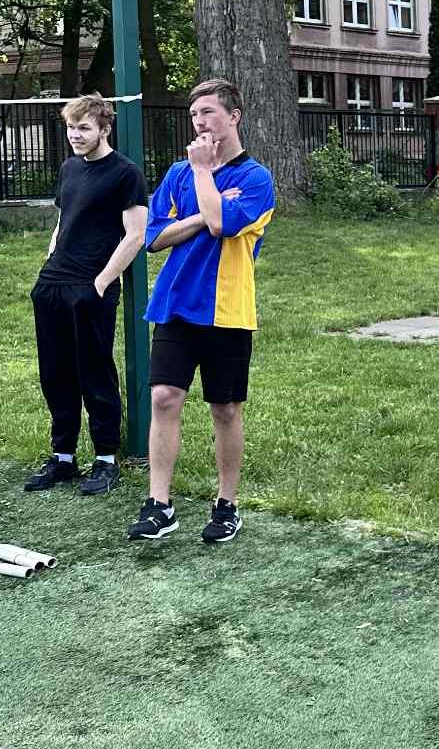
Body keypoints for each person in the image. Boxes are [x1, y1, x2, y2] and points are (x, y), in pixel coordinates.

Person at [127, 79, 276, 546]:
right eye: (193, 114)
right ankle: (160, 505)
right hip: (174, 305)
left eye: (208, 112)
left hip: (227, 311)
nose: (199, 122)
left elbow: (220, 224)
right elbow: (154, 237)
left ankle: (226, 505)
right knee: (163, 398)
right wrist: (195, 205)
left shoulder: (255, 179)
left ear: (234, 117)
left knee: (225, 409)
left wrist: (203, 176)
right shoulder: (179, 173)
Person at [24, 93, 149, 497]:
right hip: (53, 284)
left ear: (104, 129)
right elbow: (64, 220)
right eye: (70, 128)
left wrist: (101, 281)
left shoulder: (126, 173)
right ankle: (62, 457)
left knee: (94, 372)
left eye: (84, 128)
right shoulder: (69, 168)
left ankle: (106, 460)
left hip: (91, 286)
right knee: (55, 373)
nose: (75, 135)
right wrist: (50, 261)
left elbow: (136, 235)